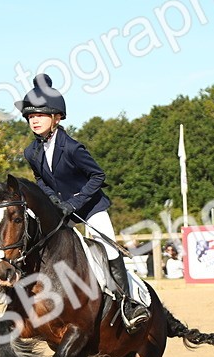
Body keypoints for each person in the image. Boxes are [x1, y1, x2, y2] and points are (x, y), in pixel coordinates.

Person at [15, 74, 150, 330]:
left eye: (40, 116)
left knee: (107, 249)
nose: (34, 120)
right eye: (31, 117)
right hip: (61, 210)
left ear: (57, 117)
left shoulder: (73, 148)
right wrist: (53, 199)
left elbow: (98, 176)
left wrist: (75, 203)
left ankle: (129, 303)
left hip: (90, 208)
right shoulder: (31, 152)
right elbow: (40, 179)